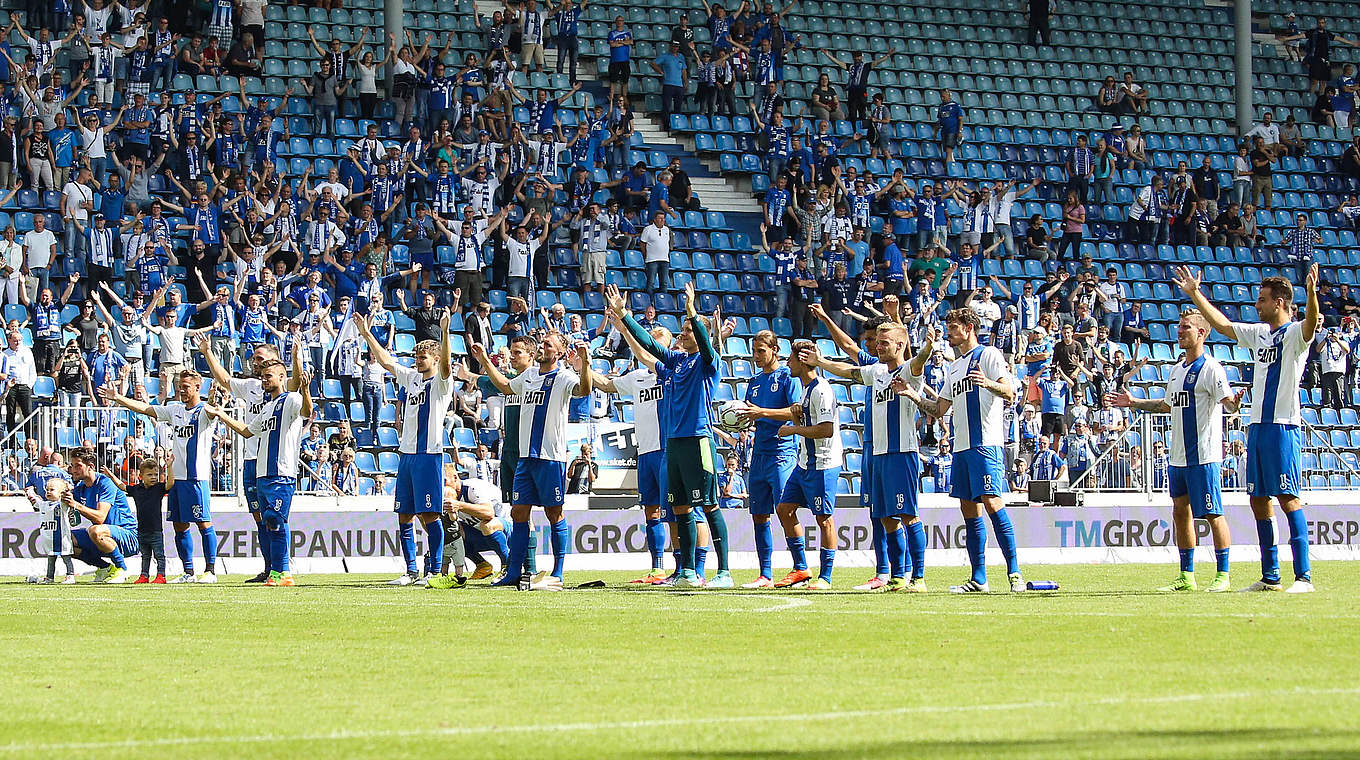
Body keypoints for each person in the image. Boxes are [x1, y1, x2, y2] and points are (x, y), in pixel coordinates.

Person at [1173, 264, 1318, 593]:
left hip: (1283, 427)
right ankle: (1270, 576)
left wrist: (1310, 293)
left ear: (1279, 303)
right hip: (1258, 428)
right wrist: (1195, 293)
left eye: (1262, 300)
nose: (1257, 305)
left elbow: (1310, 323)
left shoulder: (1294, 334)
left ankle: (1303, 577)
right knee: (1258, 500)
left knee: (1288, 498)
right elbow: (1222, 325)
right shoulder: (1260, 334)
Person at [1107, 310, 1244, 592]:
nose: (1179, 332)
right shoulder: (1177, 370)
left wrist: (1235, 404)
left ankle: (1223, 574)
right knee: (1180, 512)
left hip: (1204, 456)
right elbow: (1168, 405)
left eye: (1186, 327)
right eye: (1179, 327)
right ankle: (1186, 576)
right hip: (1178, 455)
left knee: (1212, 513)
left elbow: (1229, 405)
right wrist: (1134, 402)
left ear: (1201, 333)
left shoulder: (1211, 369)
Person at [608, 281, 728, 588]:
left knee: (709, 505)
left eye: (687, 331)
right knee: (679, 507)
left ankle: (723, 571)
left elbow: (704, 340)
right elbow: (649, 346)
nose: (683, 335)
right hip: (672, 444)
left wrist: (693, 314)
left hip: (698, 440)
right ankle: (686, 570)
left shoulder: (707, 363)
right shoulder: (675, 364)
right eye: (684, 330)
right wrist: (624, 316)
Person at [901, 308, 1025, 593]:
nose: (949, 331)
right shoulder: (954, 367)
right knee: (969, 510)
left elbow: (1009, 392)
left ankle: (1014, 572)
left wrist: (988, 383)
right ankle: (979, 578)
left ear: (969, 328)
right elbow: (939, 408)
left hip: (985, 444)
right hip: (962, 448)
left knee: (993, 503)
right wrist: (912, 394)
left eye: (954, 326)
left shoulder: (990, 355)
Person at [809, 321, 931, 592]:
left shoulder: (910, 371)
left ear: (900, 345)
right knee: (886, 517)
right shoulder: (876, 371)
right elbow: (850, 371)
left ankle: (919, 578)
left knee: (908, 514)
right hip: (877, 454)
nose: (878, 346)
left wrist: (928, 349)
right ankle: (898, 576)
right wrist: (820, 361)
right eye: (877, 341)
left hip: (901, 452)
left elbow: (920, 361)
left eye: (884, 342)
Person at [471, 330, 593, 591]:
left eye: (548, 345)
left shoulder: (564, 377)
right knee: (518, 512)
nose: (542, 347)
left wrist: (586, 363)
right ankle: (515, 571)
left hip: (551, 457)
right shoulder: (529, 375)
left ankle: (558, 572)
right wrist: (485, 361)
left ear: (558, 353)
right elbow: (505, 386)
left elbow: (584, 390)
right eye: (542, 343)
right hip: (526, 457)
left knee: (554, 513)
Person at [355, 309, 455, 587]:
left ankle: (434, 571)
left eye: (423, 357)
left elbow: (446, 366)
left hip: (429, 455)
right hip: (407, 455)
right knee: (404, 514)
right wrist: (366, 334)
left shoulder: (442, 383)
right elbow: (387, 362)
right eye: (416, 356)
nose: (417, 361)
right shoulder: (411, 378)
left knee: (431, 514)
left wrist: (445, 332)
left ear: (434, 358)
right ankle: (411, 571)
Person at [206, 350, 313, 587]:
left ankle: (283, 571)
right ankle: (276, 571)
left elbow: (307, 412)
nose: (264, 380)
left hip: (282, 472)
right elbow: (246, 431)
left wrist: (305, 389)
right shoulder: (267, 408)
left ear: (282, 378)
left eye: (269, 376)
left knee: (276, 519)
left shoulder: (292, 400)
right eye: (263, 377)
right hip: (262, 472)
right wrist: (221, 414)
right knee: (268, 521)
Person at [103, 370, 220, 584]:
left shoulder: (203, 411)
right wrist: (118, 398)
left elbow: (213, 411)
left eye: (185, 386)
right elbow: (146, 409)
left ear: (196, 388)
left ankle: (210, 570)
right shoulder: (174, 410)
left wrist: (212, 399)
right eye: (179, 386)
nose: (181, 390)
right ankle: (188, 572)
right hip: (176, 479)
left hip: (196, 479)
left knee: (203, 523)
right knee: (179, 525)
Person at [757, 340, 841, 590]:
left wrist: (793, 428)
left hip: (823, 464)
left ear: (802, 360)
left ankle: (825, 577)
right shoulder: (805, 389)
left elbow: (826, 430)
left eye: (790, 359)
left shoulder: (822, 390)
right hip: (804, 463)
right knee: (784, 509)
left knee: (824, 519)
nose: (787, 364)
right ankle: (801, 568)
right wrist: (796, 413)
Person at [732, 330, 802, 588]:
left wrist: (762, 412)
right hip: (758, 454)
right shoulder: (754, 382)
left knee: (786, 511)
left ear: (775, 350)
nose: (757, 356)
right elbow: (753, 414)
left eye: (762, 351)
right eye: (754, 352)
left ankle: (801, 568)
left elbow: (795, 412)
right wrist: (742, 419)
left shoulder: (787, 377)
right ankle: (765, 574)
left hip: (782, 453)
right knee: (759, 515)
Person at [65, 447, 140, 584]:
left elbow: (100, 518)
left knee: (95, 530)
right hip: (103, 537)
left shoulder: (105, 483)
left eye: (78, 466)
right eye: (72, 465)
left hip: (127, 535)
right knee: (64, 540)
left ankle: (122, 569)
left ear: (90, 466)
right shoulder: (80, 488)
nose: (74, 470)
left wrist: (76, 505)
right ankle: (105, 568)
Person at [120, 457, 170, 584]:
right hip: (142, 530)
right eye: (150, 475)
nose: (153, 477)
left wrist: (169, 467)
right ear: (141, 475)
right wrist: (110, 475)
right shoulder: (137, 489)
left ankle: (161, 575)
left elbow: (171, 484)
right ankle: (144, 575)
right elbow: (122, 487)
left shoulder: (159, 488)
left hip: (155, 530)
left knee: (159, 555)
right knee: (145, 555)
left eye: (155, 474)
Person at [24, 477, 76, 584]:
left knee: (66, 557)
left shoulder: (62, 504)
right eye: (47, 490)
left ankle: (70, 575)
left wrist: (67, 489)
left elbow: (68, 497)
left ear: (61, 493)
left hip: (62, 539)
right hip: (49, 540)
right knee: (51, 559)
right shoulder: (44, 504)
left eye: (52, 490)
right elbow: (35, 500)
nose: (48, 492)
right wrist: (30, 491)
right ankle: (49, 577)